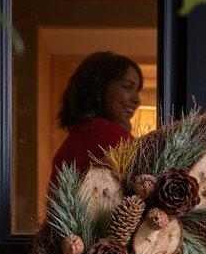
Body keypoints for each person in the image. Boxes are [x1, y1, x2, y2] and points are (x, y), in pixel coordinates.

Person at [50, 51, 143, 180]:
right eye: (127, 87)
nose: (137, 100)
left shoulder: (73, 140)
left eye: (137, 90)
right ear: (100, 89)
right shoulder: (115, 139)